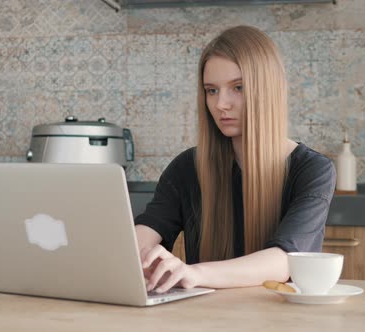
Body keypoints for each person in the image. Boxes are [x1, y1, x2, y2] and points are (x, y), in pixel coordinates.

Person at [134, 25, 336, 294]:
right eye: (212, 90)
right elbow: (150, 228)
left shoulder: (312, 169)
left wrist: (193, 272)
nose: (221, 104)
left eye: (237, 87)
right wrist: (137, 254)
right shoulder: (186, 167)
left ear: (267, 90)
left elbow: (285, 260)